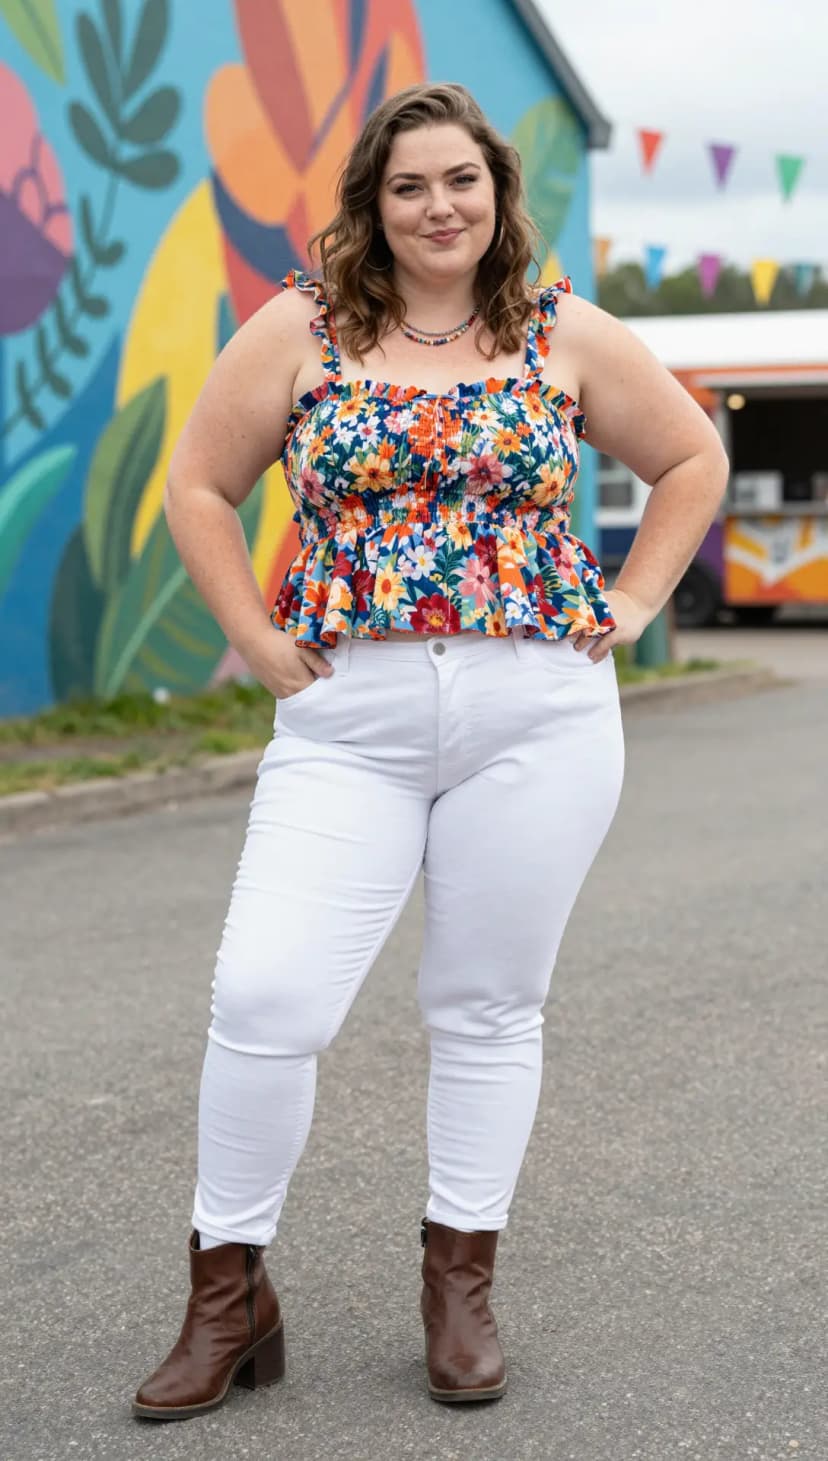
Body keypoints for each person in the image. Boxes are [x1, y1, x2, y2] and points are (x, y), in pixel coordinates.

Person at [132, 82, 728, 1420]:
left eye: (462, 180)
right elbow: (199, 485)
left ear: (498, 195)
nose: (439, 205)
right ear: (372, 204)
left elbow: (691, 456)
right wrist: (253, 633)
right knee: (268, 997)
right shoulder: (301, 328)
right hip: (349, 720)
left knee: (487, 1003)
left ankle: (459, 1281)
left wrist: (631, 604)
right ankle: (227, 1292)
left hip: (540, 715)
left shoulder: (561, 330)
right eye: (410, 186)